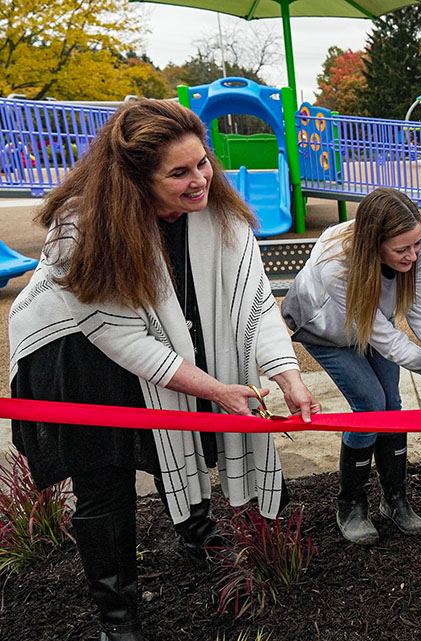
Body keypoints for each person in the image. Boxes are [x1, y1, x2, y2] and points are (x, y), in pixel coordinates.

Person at [8, 99, 319, 641]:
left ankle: (196, 534)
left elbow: (254, 303)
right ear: (134, 181)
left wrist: (286, 373)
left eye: (202, 162)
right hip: (74, 352)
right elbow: (123, 338)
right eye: (178, 173)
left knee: (178, 439)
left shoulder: (220, 213)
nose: (200, 180)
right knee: (105, 477)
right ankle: (118, 620)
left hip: (170, 334)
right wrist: (215, 389)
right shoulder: (83, 228)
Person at [282, 187, 421, 545]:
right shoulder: (335, 266)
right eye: (402, 250)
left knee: (392, 405)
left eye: (416, 245)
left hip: (373, 322)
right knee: (371, 405)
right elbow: (396, 345)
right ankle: (351, 504)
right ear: (374, 244)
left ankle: (394, 499)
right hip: (327, 331)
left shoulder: (415, 241)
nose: (413, 255)